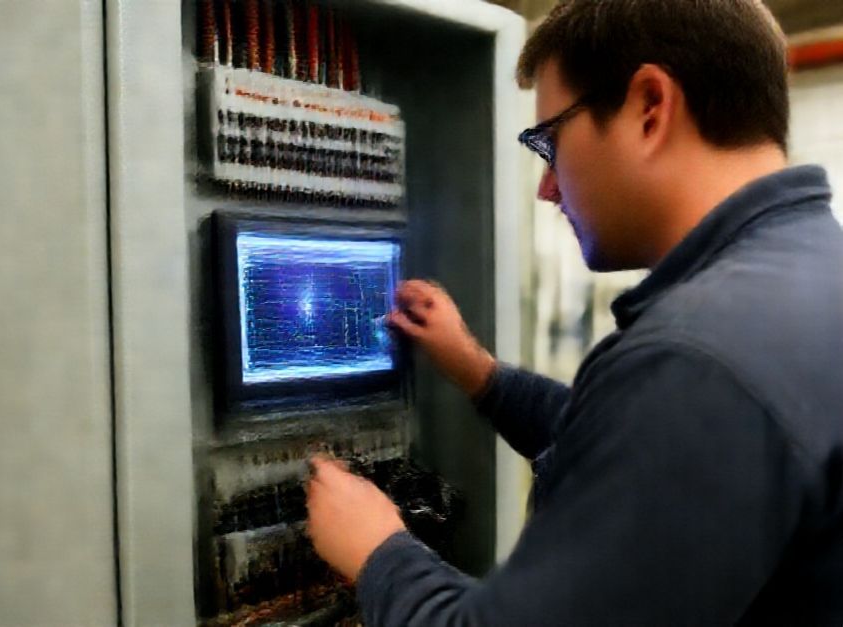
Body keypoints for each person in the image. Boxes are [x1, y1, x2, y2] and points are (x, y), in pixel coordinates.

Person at [305, 0, 843, 624]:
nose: (548, 186)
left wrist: (376, 549)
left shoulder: (696, 358)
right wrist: (479, 371)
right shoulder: (807, 278)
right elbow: (639, 452)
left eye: (549, 141)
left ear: (649, 106)